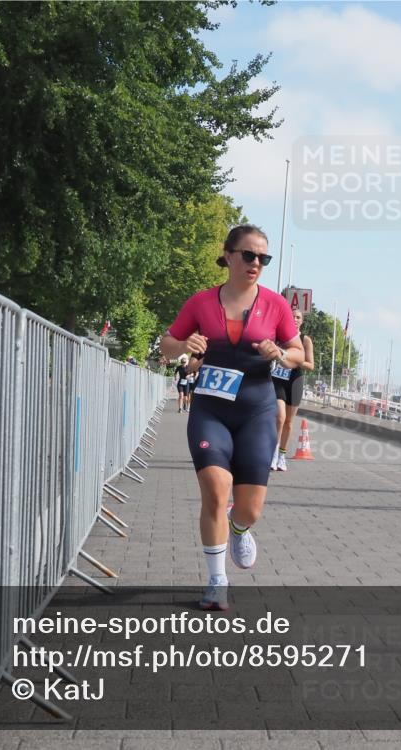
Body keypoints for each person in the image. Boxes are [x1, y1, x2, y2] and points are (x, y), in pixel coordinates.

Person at [159, 225, 304, 610]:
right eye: (249, 255)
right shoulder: (201, 303)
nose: (256, 263)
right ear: (228, 255)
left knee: (249, 507)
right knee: (214, 491)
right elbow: (167, 344)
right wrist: (182, 344)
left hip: (256, 411)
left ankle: (239, 527)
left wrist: (279, 353)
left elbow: (298, 355)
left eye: (263, 258)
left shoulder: (275, 305)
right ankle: (216, 581)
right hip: (211, 409)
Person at [271, 308, 314, 471]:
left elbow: (311, 365)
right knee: (280, 417)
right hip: (278, 379)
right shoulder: (279, 336)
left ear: (302, 321)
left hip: (295, 380)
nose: (295, 319)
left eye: (298, 317)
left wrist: (295, 358)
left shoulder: (305, 340)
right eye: (292, 316)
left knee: (289, 422)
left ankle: (282, 455)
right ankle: (273, 453)